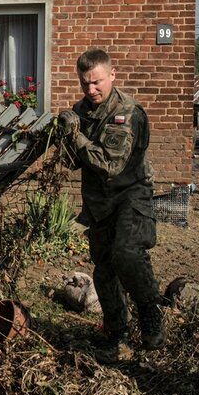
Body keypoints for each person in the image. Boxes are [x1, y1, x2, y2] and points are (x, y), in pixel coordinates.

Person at [56, 48, 164, 364]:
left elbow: (109, 164)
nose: (91, 90)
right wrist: (64, 134)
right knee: (104, 272)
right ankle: (116, 332)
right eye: (85, 84)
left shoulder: (127, 112)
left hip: (131, 195)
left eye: (97, 82)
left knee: (127, 254)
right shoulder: (81, 111)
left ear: (112, 75)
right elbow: (71, 162)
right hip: (99, 202)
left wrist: (75, 137)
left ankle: (150, 313)